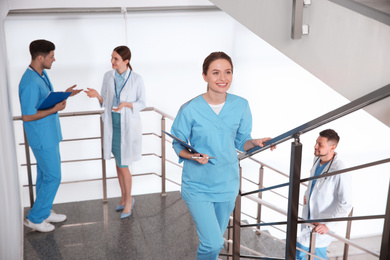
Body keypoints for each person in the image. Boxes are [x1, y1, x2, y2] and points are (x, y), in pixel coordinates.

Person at [170, 51, 275, 260]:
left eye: (228, 72)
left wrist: (253, 143)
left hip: (227, 184)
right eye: (216, 73)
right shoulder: (190, 109)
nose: (223, 78)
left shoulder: (241, 105)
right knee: (213, 242)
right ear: (205, 76)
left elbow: (241, 141)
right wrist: (193, 156)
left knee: (215, 243)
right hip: (198, 185)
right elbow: (177, 144)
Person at [19, 39, 82, 232]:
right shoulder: (29, 82)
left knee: (45, 175)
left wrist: (64, 95)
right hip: (41, 137)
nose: (54, 60)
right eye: (51, 56)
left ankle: (44, 211)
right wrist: (55, 108)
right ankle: (35, 218)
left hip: (49, 134)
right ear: (40, 57)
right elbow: (28, 115)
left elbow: (44, 99)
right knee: (54, 176)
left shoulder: (41, 74)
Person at [85, 45, 145, 219]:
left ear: (126, 61)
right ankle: (123, 197)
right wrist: (97, 95)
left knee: (124, 165)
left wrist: (126, 104)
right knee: (119, 165)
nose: (112, 61)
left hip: (127, 127)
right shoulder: (108, 76)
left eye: (116, 59)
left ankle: (129, 200)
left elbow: (142, 103)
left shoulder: (137, 79)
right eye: (111, 57)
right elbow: (106, 100)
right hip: (113, 125)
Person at [296, 129, 353, 260]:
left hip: (322, 224)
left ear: (333, 147)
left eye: (320, 144)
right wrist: (307, 193)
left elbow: (346, 203)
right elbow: (314, 181)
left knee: (308, 253)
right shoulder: (317, 159)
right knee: (303, 252)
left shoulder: (340, 171)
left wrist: (328, 225)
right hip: (309, 217)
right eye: (316, 142)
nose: (315, 146)